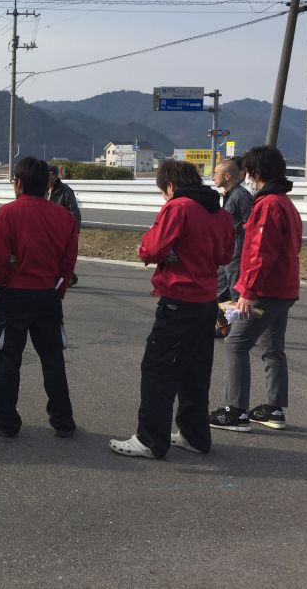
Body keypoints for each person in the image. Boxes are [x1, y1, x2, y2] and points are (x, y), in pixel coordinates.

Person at [109, 160, 234, 459]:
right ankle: (194, 435)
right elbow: (225, 255)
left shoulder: (178, 207)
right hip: (207, 301)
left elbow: (151, 249)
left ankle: (150, 439)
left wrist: (161, 252)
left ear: (169, 185)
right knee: (195, 371)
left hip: (179, 299)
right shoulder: (219, 212)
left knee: (158, 369)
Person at [0, 157, 78, 439]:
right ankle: (63, 419)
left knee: (9, 359)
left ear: (19, 183)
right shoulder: (64, 217)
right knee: (53, 358)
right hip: (48, 295)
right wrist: (58, 289)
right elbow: (68, 262)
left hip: (14, 295)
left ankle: (5, 420)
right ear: (46, 184)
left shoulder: (8, 213)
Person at [209, 146, 302, 433]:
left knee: (235, 344)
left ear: (256, 172)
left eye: (249, 171)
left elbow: (260, 253)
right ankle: (273, 408)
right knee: (272, 348)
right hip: (284, 288)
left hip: (265, 291)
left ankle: (236, 410)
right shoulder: (285, 202)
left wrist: (248, 292)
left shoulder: (268, 205)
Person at [211, 158, 253, 302]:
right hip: (227, 252)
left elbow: (250, 225)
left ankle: (238, 317)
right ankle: (221, 317)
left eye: (216, 173)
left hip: (237, 252)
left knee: (236, 293)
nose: (213, 177)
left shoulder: (241, 196)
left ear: (227, 176)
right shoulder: (229, 195)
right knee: (218, 293)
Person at [47, 165, 81, 287]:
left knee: (60, 255)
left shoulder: (65, 191)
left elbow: (74, 212)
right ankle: (67, 276)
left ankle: (68, 276)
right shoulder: (43, 189)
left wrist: (75, 231)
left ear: (55, 176)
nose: (46, 178)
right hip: (48, 228)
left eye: (48, 175)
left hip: (62, 229)